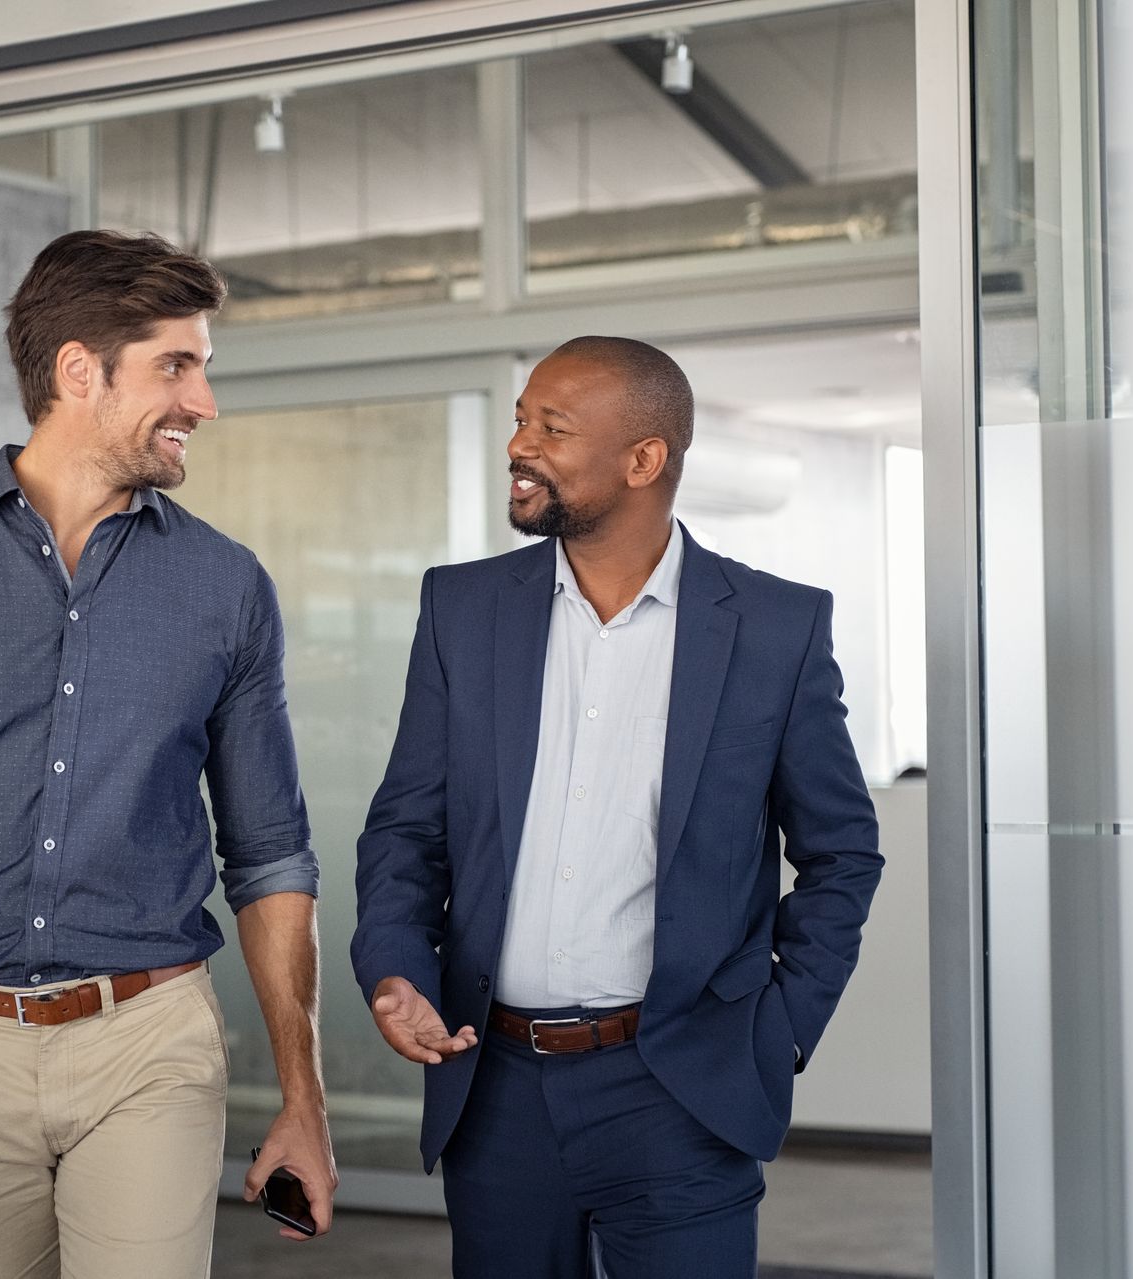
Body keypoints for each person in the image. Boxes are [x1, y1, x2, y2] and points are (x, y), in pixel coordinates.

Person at [0, 229, 336, 1278]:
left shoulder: (227, 588)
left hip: (150, 1037)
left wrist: (303, 1100)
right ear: (79, 370)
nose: (203, 403)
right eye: (177, 366)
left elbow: (270, 857)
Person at [352, 336, 882, 1278]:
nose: (519, 443)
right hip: (497, 1084)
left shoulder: (774, 627)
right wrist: (397, 969)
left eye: (551, 427)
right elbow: (406, 826)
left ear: (645, 460)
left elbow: (841, 852)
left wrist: (781, 1026)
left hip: (682, 1083)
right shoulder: (462, 609)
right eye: (521, 417)